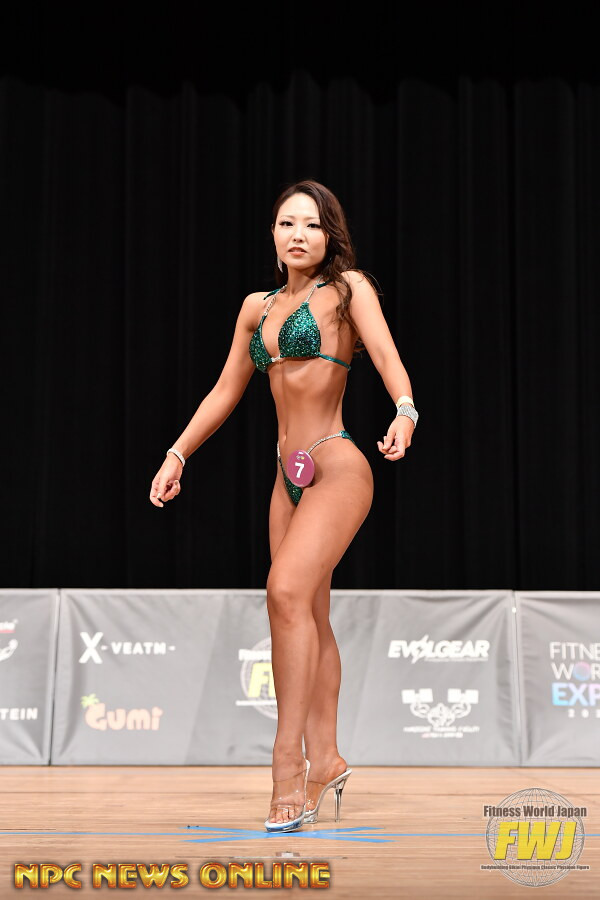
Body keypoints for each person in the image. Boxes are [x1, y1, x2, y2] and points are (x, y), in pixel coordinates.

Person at [149, 179, 417, 832]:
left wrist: (406, 411)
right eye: (287, 223)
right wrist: (177, 453)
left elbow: (387, 357)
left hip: (336, 465)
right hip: (285, 478)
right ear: (272, 234)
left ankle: (287, 767)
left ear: (330, 236)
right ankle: (327, 759)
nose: (299, 234)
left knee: (285, 592)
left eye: (312, 225)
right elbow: (224, 390)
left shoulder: (347, 290)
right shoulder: (256, 307)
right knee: (307, 615)